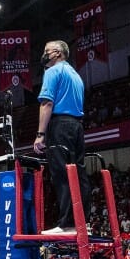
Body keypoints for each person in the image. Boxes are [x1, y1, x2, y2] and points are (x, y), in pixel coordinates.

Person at [33, 40, 92, 235]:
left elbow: (47, 104)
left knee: (61, 174)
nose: (44, 54)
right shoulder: (75, 75)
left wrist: (40, 135)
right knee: (79, 174)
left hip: (60, 125)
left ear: (57, 53)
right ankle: (82, 223)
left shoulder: (52, 72)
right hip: (76, 126)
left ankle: (66, 224)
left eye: (46, 51)